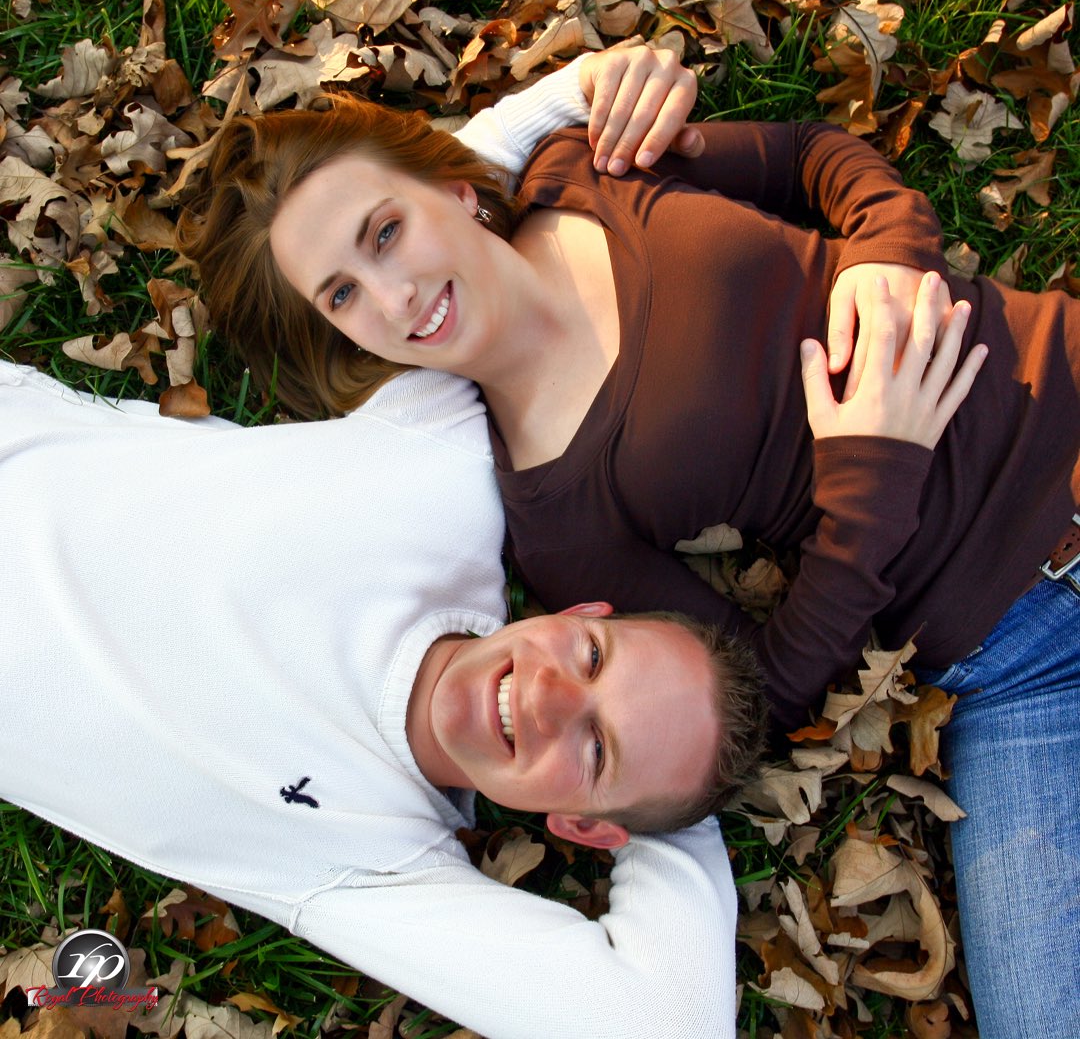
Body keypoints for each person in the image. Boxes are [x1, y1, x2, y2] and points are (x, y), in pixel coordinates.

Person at [182, 60, 1080, 1039]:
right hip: (1017, 664)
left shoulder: (588, 170)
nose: (396, 298)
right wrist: (873, 490)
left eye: (385, 232)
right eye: (344, 294)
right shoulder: (559, 521)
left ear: (449, 186)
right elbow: (753, 698)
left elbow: (815, 159)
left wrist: (884, 262)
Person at [0, 352, 768, 1038]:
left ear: (581, 827)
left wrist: (677, 813)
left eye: (597, 748)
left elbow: (672, 1023)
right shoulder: (448, 474)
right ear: (580, 612)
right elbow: (462, 232)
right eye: (593, 658)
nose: (548, 697)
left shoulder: (378, 865)